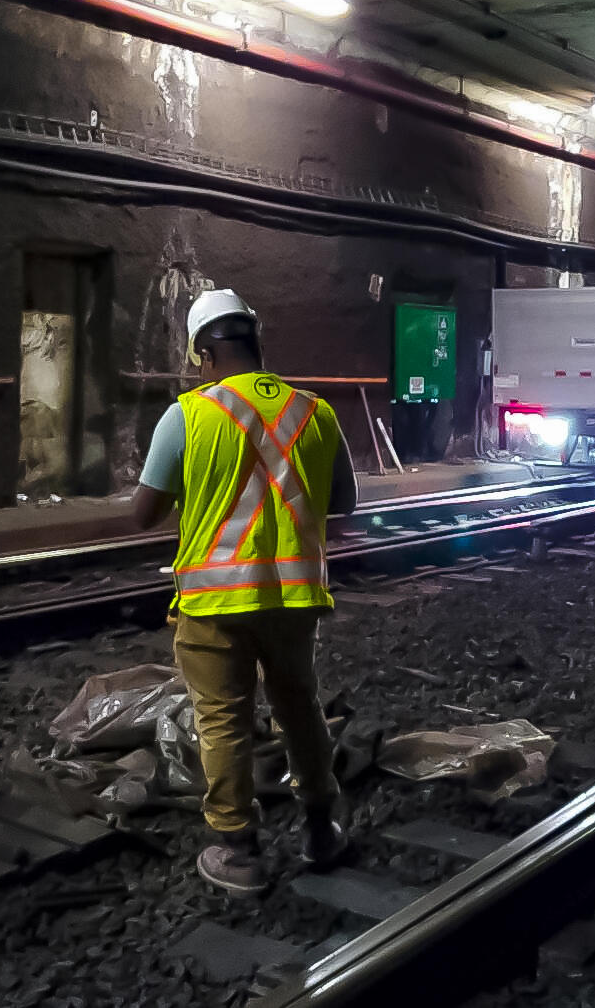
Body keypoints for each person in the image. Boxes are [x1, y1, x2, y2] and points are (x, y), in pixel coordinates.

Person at [131, 288, 357, 893]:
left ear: (205, 353)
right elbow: (345, 504)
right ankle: (319, 829)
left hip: (213, 603)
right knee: (298, 706)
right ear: (256, 344)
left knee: (222, 719)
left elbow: (142, 514)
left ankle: (239, 851)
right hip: (293, 599)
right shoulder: (315, 411)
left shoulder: (188, 414)